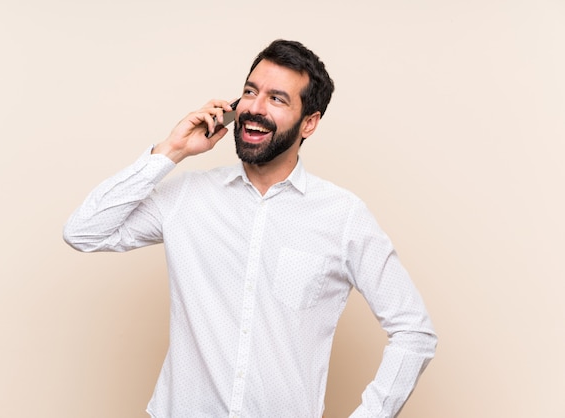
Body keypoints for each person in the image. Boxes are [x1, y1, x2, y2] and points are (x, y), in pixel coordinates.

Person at [63, 39, 437, 418]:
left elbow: (414, 331)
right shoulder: (187, 196)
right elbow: (84, 231)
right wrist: (172, 150)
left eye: (277, 99)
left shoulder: (342, 216)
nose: (254, 109)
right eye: (249, 92)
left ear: (309, 122)